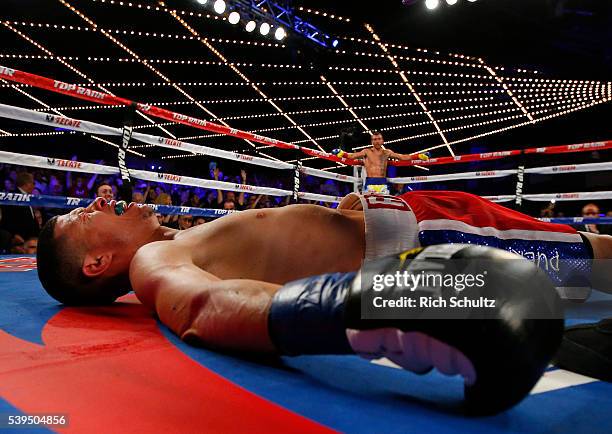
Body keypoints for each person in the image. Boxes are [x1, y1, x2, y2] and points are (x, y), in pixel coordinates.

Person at [36, 190, 612, 413]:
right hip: (429, 240)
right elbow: (204, 307)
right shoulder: (152, 264)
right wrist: (367, 304)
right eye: (80, 216)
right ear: (95, 265)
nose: (101, 198)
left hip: (415, 219)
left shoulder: (176, 240)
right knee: (598, 260)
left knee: (595, 259)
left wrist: (344, 215)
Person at [331, 131, 429, 195]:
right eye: (374, 139)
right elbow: (351, 156)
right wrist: (341, 153)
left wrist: (419, 156)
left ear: (382, 141)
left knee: (384, 207)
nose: (377, 141)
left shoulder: (387, 152)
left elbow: (403, 157)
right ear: (371, 141)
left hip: (383, 182)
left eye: (378, 139)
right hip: (370, 183)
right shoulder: (366, 151)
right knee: (371, 209)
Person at [0, 172, 40, 245]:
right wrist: (14, 235)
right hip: (19, 240)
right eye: (33, 183)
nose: (34, 186)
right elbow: (7, 218)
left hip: (30, 239)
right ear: (27, 184)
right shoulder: (13, 196)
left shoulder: (27, 197)